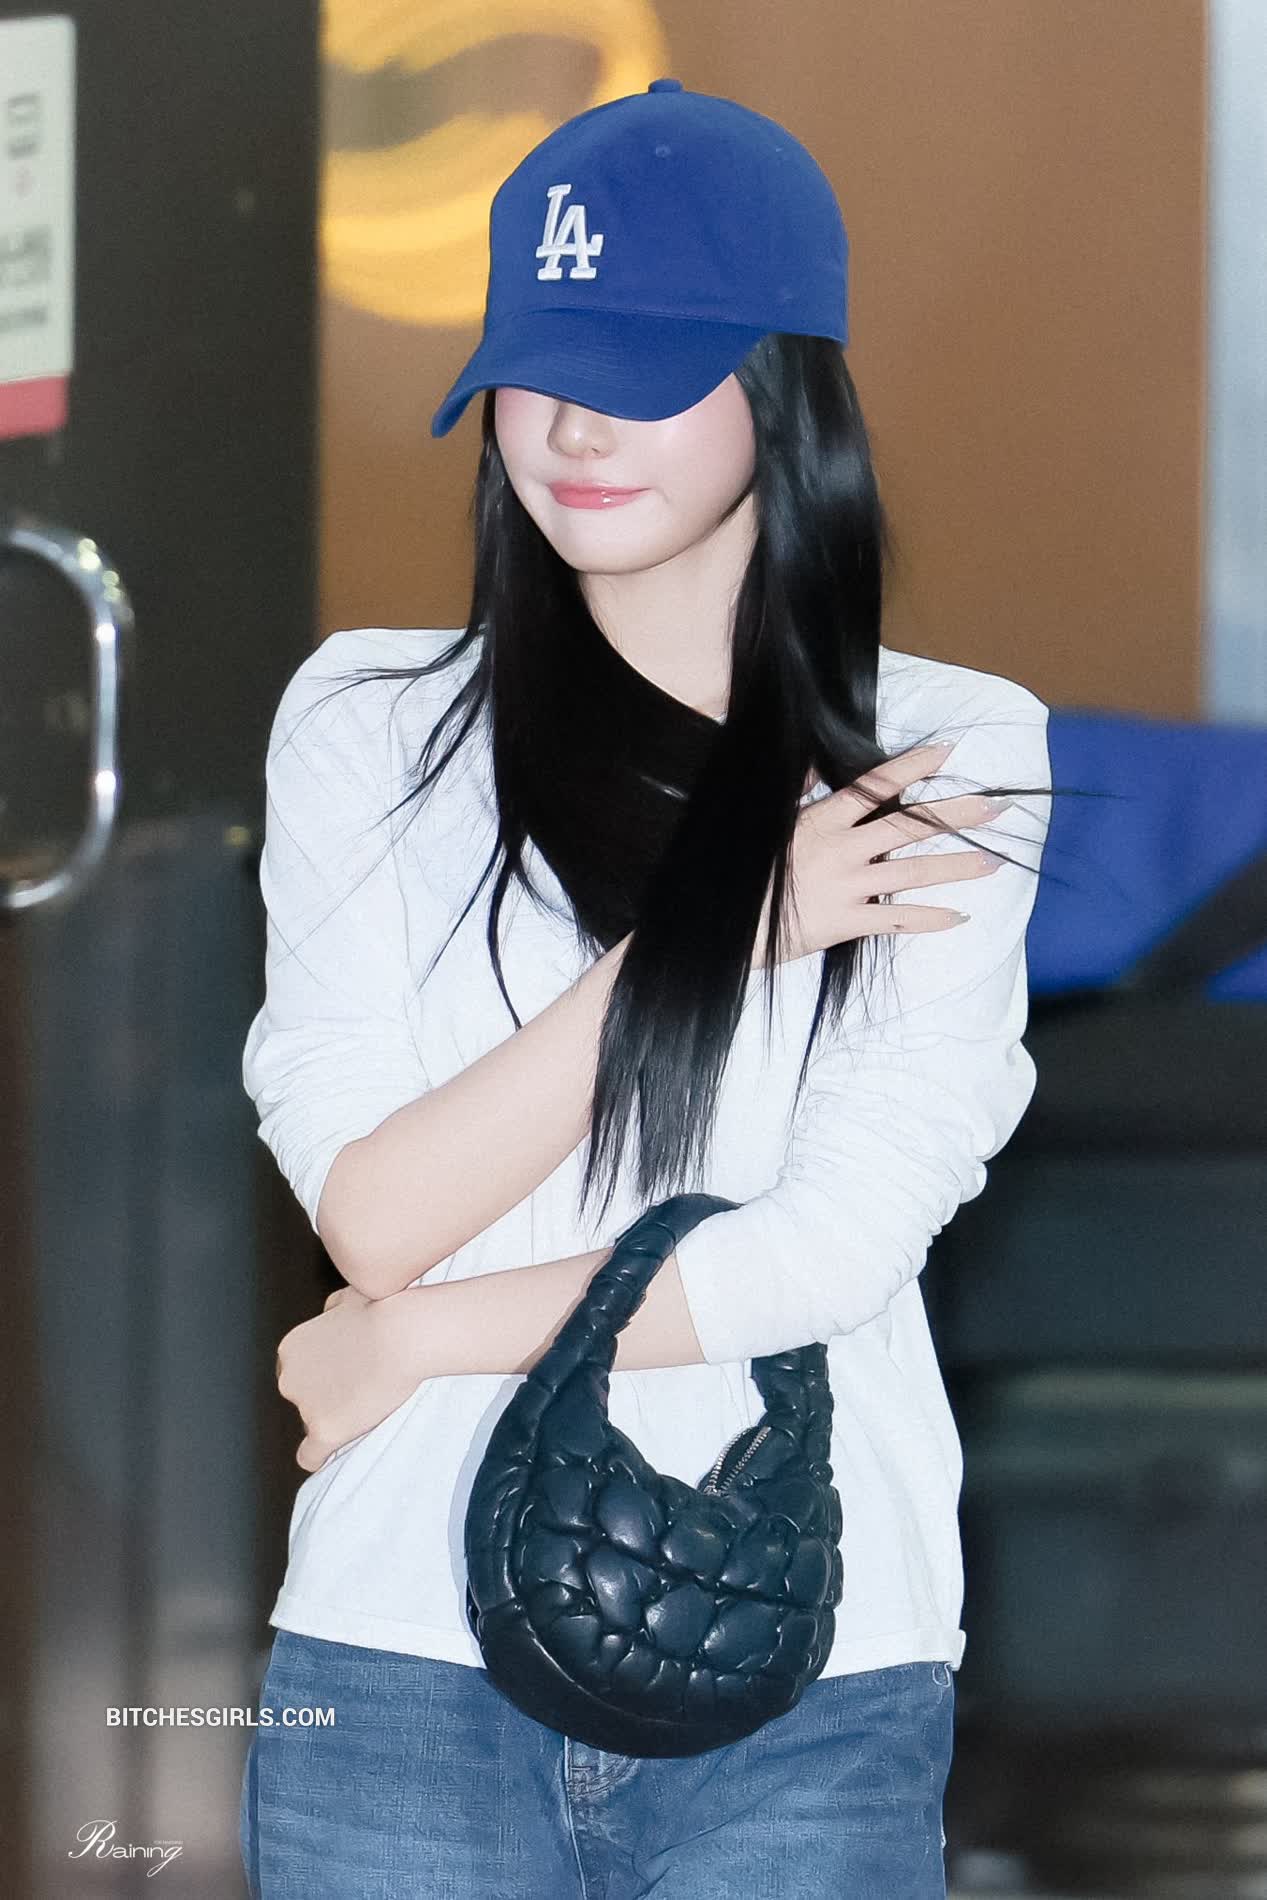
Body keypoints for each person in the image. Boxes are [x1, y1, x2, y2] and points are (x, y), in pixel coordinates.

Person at [237, 79, 1052, 1900]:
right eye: (535, 365)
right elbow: (374, 1212)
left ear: (783, 388)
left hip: (805, 1654)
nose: (573, 426)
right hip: (400, 1646)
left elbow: (832, 1250)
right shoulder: (368, 725)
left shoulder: (945, 753)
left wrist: (416, 1340)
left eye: (646, 366)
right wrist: (730, 923)